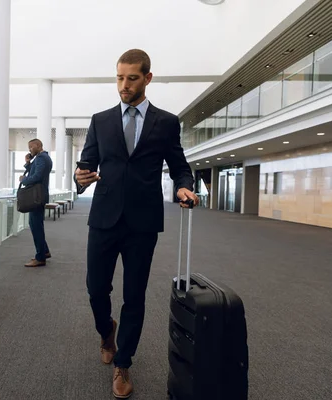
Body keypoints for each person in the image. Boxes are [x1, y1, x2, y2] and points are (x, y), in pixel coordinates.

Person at [75, 49, 199, 399]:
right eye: (119, 77)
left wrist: (183, 185)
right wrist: (80, 176)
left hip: (143, 222)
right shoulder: (100, 120)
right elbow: (87, 161)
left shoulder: (166, 122)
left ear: (147, 78)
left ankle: (123, 363)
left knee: (134, 295)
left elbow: (179, 164)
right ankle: (106, 331)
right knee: (96, 289)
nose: (123, 85)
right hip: (103, 217)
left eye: (131, 78)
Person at [19, 138, 53, 267]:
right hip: (40, 195)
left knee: (35, 225)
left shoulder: (41, 158)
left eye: (31, 147)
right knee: (36, 224)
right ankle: (44, 251)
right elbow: (35, 171)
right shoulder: (43, 158)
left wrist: (24, 180)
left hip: (37, 196)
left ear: (38, 145)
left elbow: (37, 177)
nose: (29, 150)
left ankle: (40, 257)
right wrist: (28, 162)